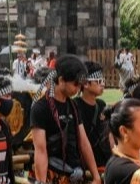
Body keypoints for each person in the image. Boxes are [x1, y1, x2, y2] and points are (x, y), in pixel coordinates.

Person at [30, 54, 101, 184]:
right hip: (53, 174)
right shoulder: (41, 108)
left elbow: (84, 142)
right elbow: (40, 150)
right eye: (75, 84)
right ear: (61, 80)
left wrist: (96, 176)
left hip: (76, 173)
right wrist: (41, 181)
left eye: (80, 85)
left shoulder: (73, 105)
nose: (78, 89)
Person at [75, 61, 112, 172]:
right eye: (99, 81)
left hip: (103, 160)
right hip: (85, 162)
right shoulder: (75, 105)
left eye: (103, 81)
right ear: (86, 84)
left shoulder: (101, 104)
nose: (103, 84)